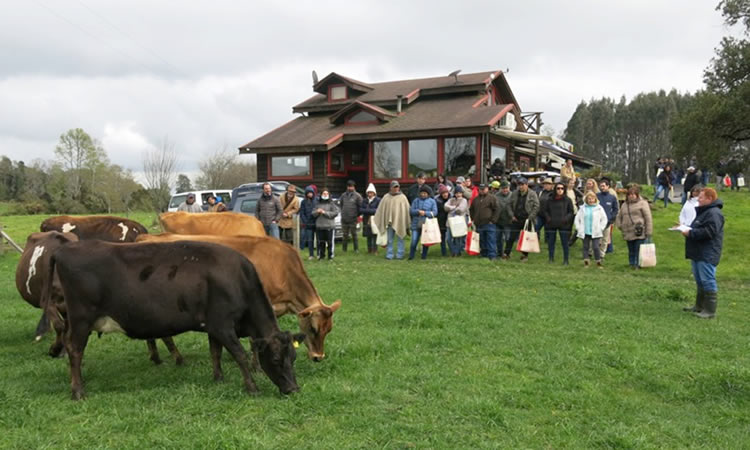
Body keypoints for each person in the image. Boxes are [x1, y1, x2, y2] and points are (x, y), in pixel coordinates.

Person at [681, 187, 724, 318]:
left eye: (701, 197)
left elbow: (709, 232)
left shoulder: (714, 213)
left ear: (709, 199)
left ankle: (710, 311)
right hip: (698, 251)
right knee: (700, 280)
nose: (698, 199)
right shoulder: (705, 212)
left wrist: (691, 233)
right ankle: (699, 306)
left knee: (707, 280)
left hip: (707, 252)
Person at [615, 184, 653, 269]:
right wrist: (620, 225)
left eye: (633, 194)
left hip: (639, 231)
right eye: (629, 195)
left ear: (637, 195)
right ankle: (631, 263)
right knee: (631, 249)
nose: (631, 196)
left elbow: (648, 218)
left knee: (638, 249)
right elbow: (619, 216)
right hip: (627, 231)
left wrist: (648, 231)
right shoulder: (624, 205)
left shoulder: (643, 203)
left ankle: (638, 264)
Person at [373, 180, 411, 260]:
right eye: (394, 187)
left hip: (400, 222)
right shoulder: (386, 197)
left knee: (401, 238)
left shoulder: (403, 197)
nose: (396, 189)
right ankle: (389, 254)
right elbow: (381, 209)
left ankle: (400, 254)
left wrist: (406, 221)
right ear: (391, 188)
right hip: (389, 223)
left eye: (397, 187)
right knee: (390, 239)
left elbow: (407, 209)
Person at [503, 177, 539, 262]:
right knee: (511, 237)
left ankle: (524, 255)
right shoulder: (514, 193)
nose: (521, 186)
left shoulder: (532, 194)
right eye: (519, 185)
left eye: (522, 184)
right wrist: (511, 215)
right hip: (516, 219)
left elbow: (536, 206)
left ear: (527, 185)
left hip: (527, 219)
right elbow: (508, 205)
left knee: (526, 238)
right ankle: (506, 253)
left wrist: (530, 217)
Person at [574, 191, 609, 268]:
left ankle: (598, 262)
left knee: (596, 247)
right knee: (585, 247)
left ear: (595, 199)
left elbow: (604, 219)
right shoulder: (582, 208)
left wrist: (601, 228)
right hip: (585, 231)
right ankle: (586, 262)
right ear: (586, 199)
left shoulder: (599, 208)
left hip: (596, 231)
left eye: (592, 198)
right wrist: (578, 228)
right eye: (589, 199)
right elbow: (577, 219)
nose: (590, 200)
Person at [543, 182, 574, 265]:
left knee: (565, 243)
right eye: (558, 188)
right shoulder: (549, 199)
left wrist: (566, 219)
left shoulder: (567, 200)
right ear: (555, 189)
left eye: (562, 188)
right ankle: (551, 258)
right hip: (551, 224)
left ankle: (566, 260)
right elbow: (545, 211)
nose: (560, 190)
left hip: (563, 224)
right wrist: (548, 218)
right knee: (551, 243)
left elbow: (571, 212)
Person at [469, 183, 499, 260]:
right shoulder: (475, 199)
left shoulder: (492, 198)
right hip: (479, 223)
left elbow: (497, 210)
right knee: (482, 240)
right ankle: (484, 254)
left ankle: (492, 255)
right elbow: (471, 209)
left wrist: (493, 220)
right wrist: (473, 219)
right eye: (480, 189)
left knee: (491, 240)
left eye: (483, 189)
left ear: (487, 189)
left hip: (489, 223)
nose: (482, 190)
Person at [408, 185, 438, 260]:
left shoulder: (432, 201)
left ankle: (424, 256)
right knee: (414, 240)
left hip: (427, 224)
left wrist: (425, 213)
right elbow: (411, 211)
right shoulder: (416, 200)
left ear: (428, 194)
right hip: (416, 223)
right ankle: (411, 256)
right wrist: (418, 212)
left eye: (425, 193)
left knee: (425, 240)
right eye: (422, 193)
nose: (423, 194)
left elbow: (435, 212)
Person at [313, 189, 339, 260]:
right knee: (321, 243)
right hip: (320, 226)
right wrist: (317, 212)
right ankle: (321, 256)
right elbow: (313, 213)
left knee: (330, 243)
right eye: (323, 193)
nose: (325, 195)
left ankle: (330, 256)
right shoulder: (318, 204)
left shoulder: (331, 203)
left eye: (326, 194)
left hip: (329, 226)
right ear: (321, 195)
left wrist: (325, 213)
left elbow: (335, 213)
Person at [338, 180, 363, 253]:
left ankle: (356, 249)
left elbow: (360, 207)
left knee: (354, 234)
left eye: (351, 186)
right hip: (344, 218)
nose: (350, 188)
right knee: (344, 235)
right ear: (347, 187)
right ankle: (344, 249)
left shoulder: (358, 196)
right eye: (349, 186)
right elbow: (341, 205)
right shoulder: (343, 195)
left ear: (354, 187)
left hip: (353, 218)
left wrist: (356, 215)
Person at [444, 186, 469, 257]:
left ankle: (457, 253)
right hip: (450, 223)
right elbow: (445, 206)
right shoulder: (451, 200)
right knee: (448, 239)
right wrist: (454, 207)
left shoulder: (464, 200)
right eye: (457, 193)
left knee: (458, 239)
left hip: (459, 222)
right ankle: (453, 251)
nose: (458, 194)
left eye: (460, 193)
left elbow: (461, 209)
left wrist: (451, 209)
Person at [597, 179, 619, 258]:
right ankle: (594, 252)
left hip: (608, 221)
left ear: (608, 186)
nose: (602, 187)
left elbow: (616, 209)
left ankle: (602, 254)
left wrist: (611, 217)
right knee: (596, 238)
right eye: (600, 186)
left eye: (603, 186)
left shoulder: (612, 197)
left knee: (605, 239)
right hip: (597, 221)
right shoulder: (597, 196)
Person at [494, 180, 513, 258]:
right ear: (500, 188)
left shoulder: (513, 195)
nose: (505, 190)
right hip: (498, 221)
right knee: (498, 238)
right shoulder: (496, 196)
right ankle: (499, 253)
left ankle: (507, 253)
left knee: (508, 238)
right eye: (503, 188)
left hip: (508, 221)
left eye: (506, 188)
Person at [360, 183, 381, 254]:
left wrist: (368, 210)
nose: (370, 194)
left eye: (371, 192)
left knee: (375, 234)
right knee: (368, 235)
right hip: (366, 219)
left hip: (374, 219)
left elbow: (377, 210)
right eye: (368, 193)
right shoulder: (365, 200)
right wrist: (370, 210)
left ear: (374, 193)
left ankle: (375, 250)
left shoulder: (378, 200)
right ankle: (369, 249)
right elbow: (361, 209)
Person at [299, 185, 317, 260]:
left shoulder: (317, 200)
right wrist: (305, 221)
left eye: (311, 193)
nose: (310, 194)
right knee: (310, 240)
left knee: (319, 240)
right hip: (308, 224)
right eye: (308, 193)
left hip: (316, 223)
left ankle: (319, 253)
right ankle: (311, 254)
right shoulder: (303, 202)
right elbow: (302, 212)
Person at [435, 184, 452, 257]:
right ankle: (444, 252)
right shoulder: (437, 201)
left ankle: (453, 251)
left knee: (449, 238)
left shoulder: (452, 199)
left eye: (446, 193)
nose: (445, 194)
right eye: (443, 193)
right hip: (441, 220)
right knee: (442, 238)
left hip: (450, 220)